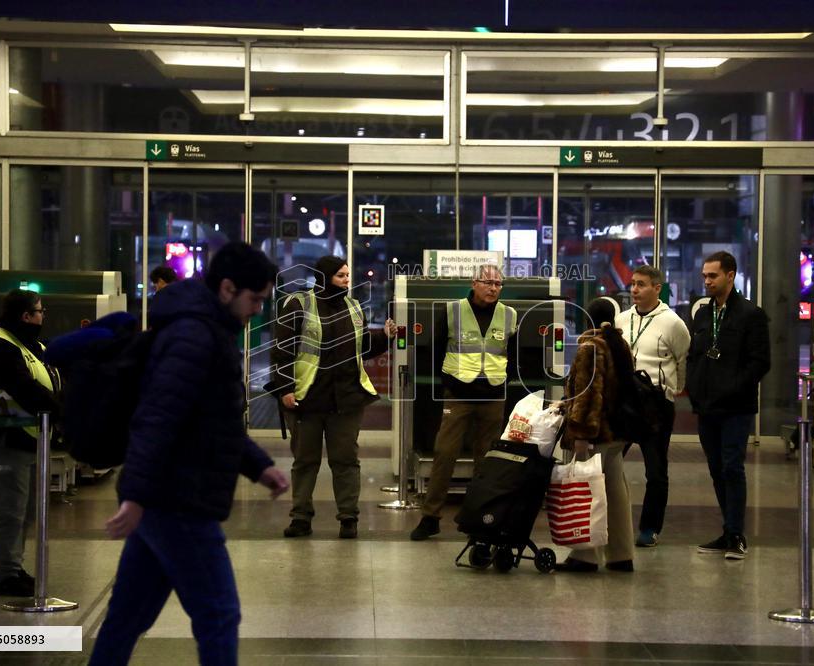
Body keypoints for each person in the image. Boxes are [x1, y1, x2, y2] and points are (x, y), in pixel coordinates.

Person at [89, 242, 290, 666]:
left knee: (127, 617)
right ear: (227, 288)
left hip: (163, 498)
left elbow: (211, 420)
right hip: (179, 500)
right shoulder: (194, 336)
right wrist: (136, 495)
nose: (257, 310)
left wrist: (259, 466)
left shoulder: (203, 330)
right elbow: (157, 417)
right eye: (254, 299)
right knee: (219, 614)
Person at [272, 255, 396, 539]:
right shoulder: (298, 305)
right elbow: (282, 352)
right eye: (341, 275)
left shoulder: (353, 307)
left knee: (346, 461)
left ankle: (348, 518)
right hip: (308, 398)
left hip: (347, 400)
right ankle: (301, 517)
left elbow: (362, 347)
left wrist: (384, 337)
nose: (347, 280)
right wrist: (285, 389)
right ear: (325, 276)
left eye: (348, 275)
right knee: (305, 461)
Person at [410, 264, 518, 541]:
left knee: (488, 462)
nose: (493, 288)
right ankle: (430, 517)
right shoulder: (452, 310)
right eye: (487, 282)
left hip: (493, 395)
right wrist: (447, 382)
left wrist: (503, 382)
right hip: (458, 395)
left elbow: (511, 354)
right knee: (444, 454)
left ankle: (478, 519)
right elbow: (434, 349)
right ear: (474, 283)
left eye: (498, 283)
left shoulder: (509, 315)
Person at [0, 289, 61, 597]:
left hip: (26, 439)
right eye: (39, 311)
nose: (42, 316)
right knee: (10, 510)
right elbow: (27, 390)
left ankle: (13, 568)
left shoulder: (24, 345)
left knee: (24, 510)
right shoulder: (0, 348)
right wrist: (66, 412)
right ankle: (5, 575)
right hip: (4, 439)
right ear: (25, 316)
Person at [686, 250, 770, 561]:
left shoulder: (751, 315)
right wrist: (695, 387)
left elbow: (760, 363)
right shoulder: (703, 314)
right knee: (715, 468)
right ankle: (727, 529)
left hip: (736, 406)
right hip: (707, 407)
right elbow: (695, 356)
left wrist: (731, 388)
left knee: (732, 466)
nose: (706, 281)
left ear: (730, 276)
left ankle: (736, 534)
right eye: (705, 276)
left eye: (713, 276)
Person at [555, 298, 635, 573]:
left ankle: (585, 556)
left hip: (597, 432)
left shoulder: (590, 348)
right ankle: (621, 555)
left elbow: (588, 396)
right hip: (619, 431)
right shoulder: (620, 345)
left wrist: (579, 433)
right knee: (615, 491)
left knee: (587, 490)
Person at [614, 265, 691, 548]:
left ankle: (650, 528)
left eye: (642, 285)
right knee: (607, 464)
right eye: (633, 284)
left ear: (657, 288)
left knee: (656, 472)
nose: (634, 289)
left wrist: (672, 390)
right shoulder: (622, 319)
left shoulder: (672, 322)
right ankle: (607, 522)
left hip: (655, 405)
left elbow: (683, 359)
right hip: (624, 403)